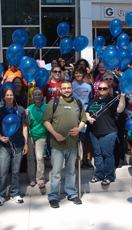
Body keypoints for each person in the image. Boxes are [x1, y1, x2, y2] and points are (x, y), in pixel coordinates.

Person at [42, 80, 86, 208]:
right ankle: (53, 196)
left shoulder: (78, 103)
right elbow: (46, 121)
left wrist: (78, 129)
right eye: (64, 88)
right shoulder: (54, 103)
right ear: (60, 90)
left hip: (72, 145)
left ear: (72, 89)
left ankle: (72, 193)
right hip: (57, 145)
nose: (66, 90)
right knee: (56, 172)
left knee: (71, 171)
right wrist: (55, 134)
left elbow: (83, 120)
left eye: (68, 88)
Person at [0, 88, 28, 206]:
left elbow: (24, 127)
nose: (9, 97)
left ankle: (15, 193)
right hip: (4, 145)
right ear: (3, 97)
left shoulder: (20, 110)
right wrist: (0, 137)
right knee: (3, 171)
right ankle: (1, 195)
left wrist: (26, 143)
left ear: (14, 96)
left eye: (11, 95)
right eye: (7, 95)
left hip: (18, 144)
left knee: (15, 171)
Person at [86, 81, 125, 185]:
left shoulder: (112, 100)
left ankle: (109, 176)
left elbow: (120, 109)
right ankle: (98, 175)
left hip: (108, 132)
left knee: (107, 154)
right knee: (98, 154)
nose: (102, 90)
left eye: (104, 88)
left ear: (108, 90)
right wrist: (89, 118)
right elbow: (87, 111)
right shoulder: (93, 100)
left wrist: (122, 97)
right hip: (94, 132)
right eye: (100, 88)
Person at [71, 67, 93, 168]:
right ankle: (77, 160)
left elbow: (91, 99)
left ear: (83, 74)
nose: (78, 75)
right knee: (76, 139)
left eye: (80, 73)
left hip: (86, 115)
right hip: (74, 115)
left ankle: (87, 160)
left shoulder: (88, 86)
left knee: (87, 139)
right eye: (76, 73)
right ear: (74, 74)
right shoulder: (71, 86)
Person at [26, 88, 47, 189]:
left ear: (42, 96)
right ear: (32, 97)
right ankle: (32, 178)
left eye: (39, 95)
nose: (37, 97)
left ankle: (40, 179)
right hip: (30, 135)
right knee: (30, 158)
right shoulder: (29, 108)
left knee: (39, 157)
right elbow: (28, 124)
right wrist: (27, 116)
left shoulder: (46, 107)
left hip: (41, 136)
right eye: (35, 95)